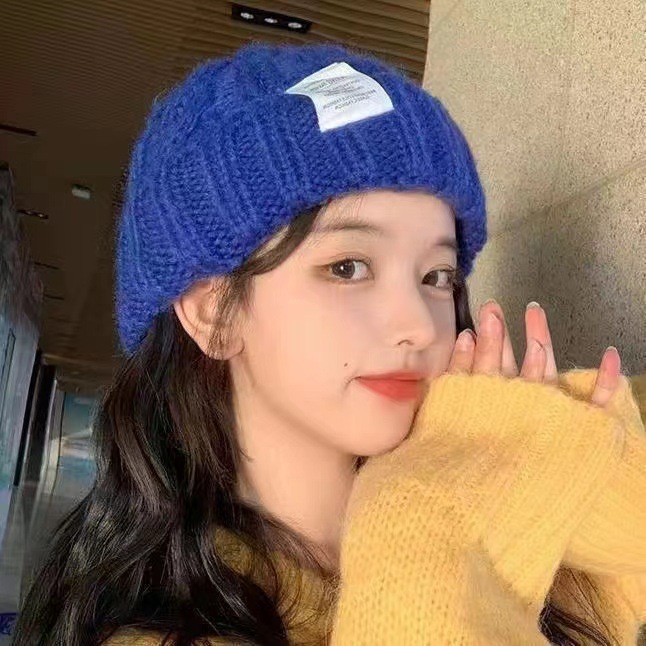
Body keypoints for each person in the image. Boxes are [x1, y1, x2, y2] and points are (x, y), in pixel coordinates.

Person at [13, 42, 645, 646]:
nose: (421, 326)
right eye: (348, 267)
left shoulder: (492, 480)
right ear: (211, 314)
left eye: (438, 276)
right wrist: (422, 530)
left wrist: (580, 453)